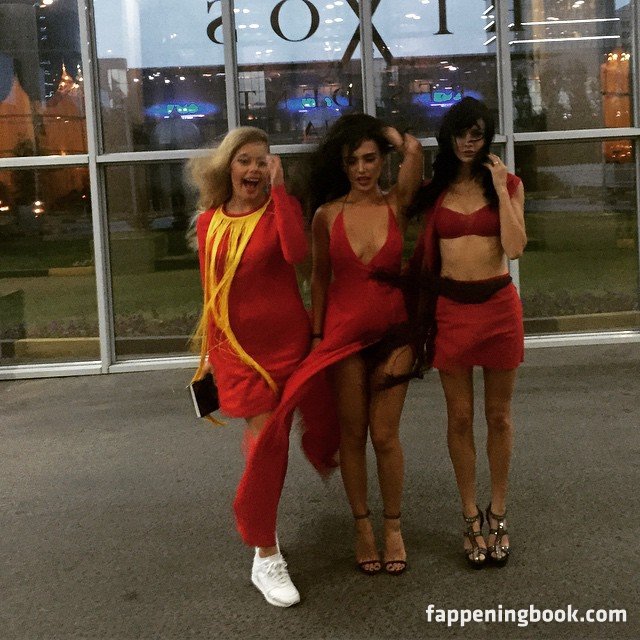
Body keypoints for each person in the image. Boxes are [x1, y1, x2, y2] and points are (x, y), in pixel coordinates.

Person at [234, 114, 423, 576]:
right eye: (352, 161)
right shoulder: (326, 215)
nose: (362, 169)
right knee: (351, 437)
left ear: (382, 160)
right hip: (342, 339)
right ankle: (362, 527)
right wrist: (318, 337)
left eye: (370, 158)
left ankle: (393, 527)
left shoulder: (396, 203)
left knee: (385, 436)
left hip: (395, 335)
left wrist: (383, 133)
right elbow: (318, 279)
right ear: (341, 166)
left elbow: (415, 152)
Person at [189, 126, 338, 607]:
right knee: (268, 444)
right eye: (244, 160)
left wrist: (281, 193)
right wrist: (212, 356)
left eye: (262, 161)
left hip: (288, 349)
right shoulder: (208, 223)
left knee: (288, 436)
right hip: (239, 354)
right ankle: (265, 552)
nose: (253, 168)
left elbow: (297, 253)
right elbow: (211, 293)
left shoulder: (278, 212)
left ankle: (264, 532)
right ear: (228, 167)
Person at [409, 97, 526, 568]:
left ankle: (498, 512)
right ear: (449, 137)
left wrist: (499, 189)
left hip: (498, 309)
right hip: (453, 311)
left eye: (476, 134)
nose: (468, 143)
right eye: (461, 134)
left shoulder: (508, 184)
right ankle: (469, 515)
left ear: (486, 137)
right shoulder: (436, 190)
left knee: (498, 416)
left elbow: (514, 248)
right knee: (459, 417)